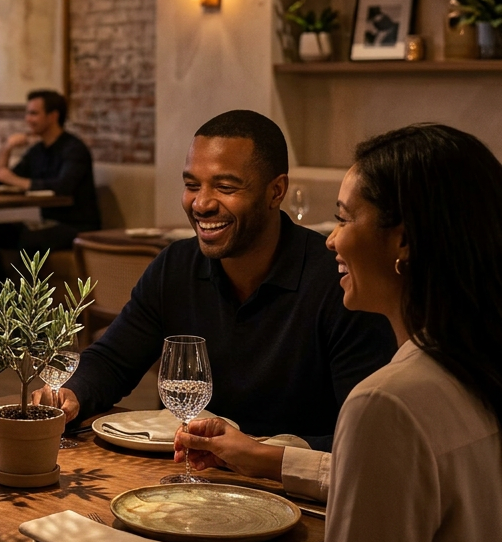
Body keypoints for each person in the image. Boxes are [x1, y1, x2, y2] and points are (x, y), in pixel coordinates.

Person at [174, 124, 502, 542]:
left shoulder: (389, 402)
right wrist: (261, 455)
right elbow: (402, 483)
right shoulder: (476, 365)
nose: (330, 239)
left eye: (344, 218)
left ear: (405, 241)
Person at [37, 109, 396, 450]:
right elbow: (113, 359)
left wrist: (261, 455)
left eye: (225, 187)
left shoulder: (339, 281)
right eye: (192, 185)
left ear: (276, 191)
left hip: (293, 492)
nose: (201, 203)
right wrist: (73, 393)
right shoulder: (175, 265)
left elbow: (367, 435)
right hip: (182, 476)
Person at [0, 90, 100, 278]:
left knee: (30, 240)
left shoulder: (74, 149)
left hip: (77, 226)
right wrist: (7, 148)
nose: (28, 119)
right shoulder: (37, 151)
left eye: (34, 113)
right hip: (45, 224)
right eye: (27, 113)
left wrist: (14, 180)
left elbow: (62, 188)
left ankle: (24, 304)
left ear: (53, 116)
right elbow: (0, 180)